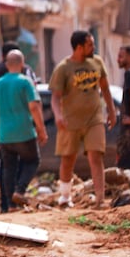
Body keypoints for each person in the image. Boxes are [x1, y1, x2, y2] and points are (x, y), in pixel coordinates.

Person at [49, 30, 116, 208]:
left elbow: (106, 89)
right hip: (70, 121)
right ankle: (65, 196)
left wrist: (111, 111)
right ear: (79, 47)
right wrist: (58, 115)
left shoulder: (97, 62)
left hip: (94, 118)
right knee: (68, 158)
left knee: (96, 156)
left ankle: (100, 199)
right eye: (90, 45)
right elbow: (55, 97)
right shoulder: (63, 68)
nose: (93, 47)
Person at [0, 50, 48, 207]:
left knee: (9, 168)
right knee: (33, 161)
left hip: (5, 135)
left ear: (7, 65)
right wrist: (41, 130)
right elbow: (34, 107)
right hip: (25, 132)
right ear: (22, 64)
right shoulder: (25, 82)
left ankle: (9, 205)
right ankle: (20, 191)